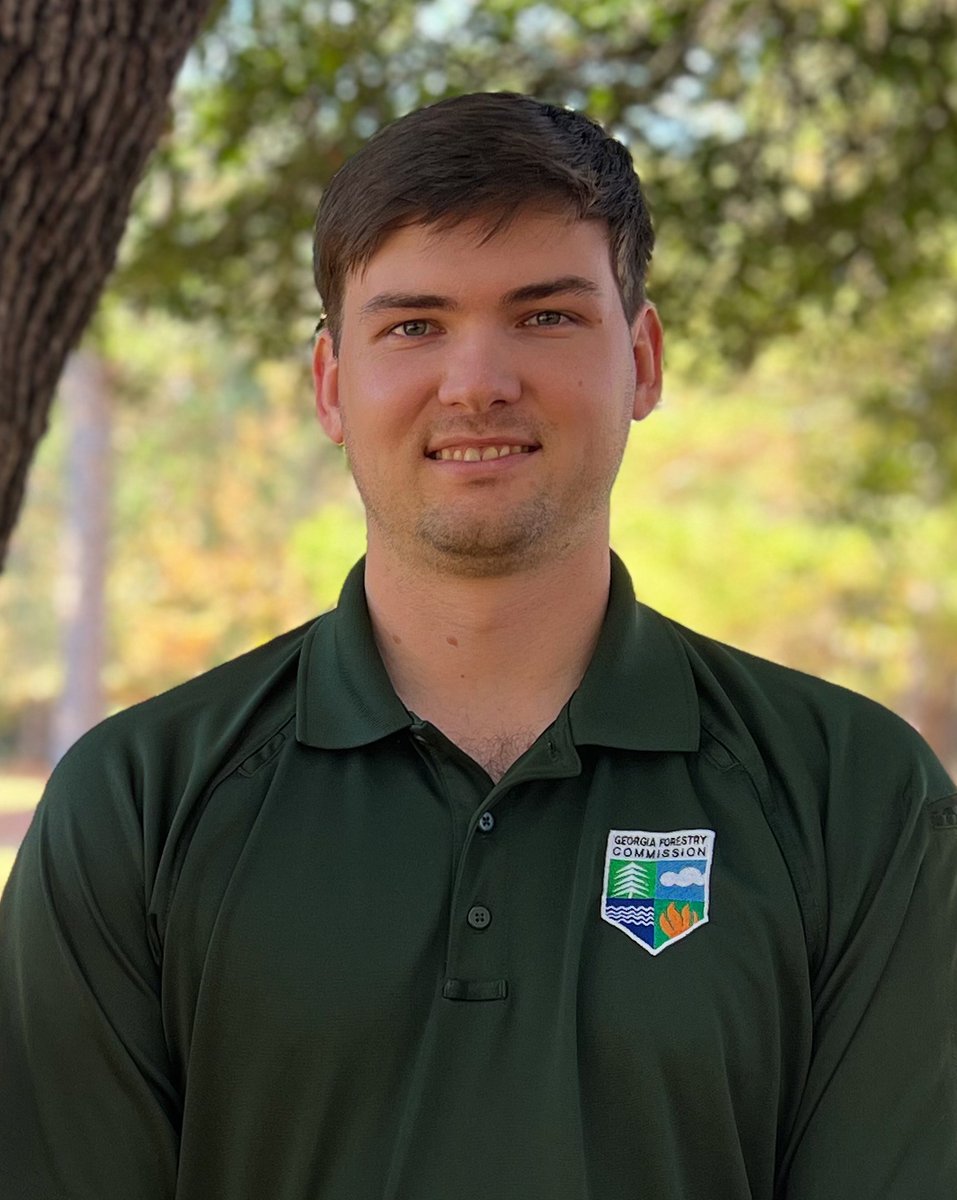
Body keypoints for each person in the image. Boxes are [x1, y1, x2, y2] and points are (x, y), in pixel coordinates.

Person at [1, 91, 954, 1200]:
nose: (478, 383)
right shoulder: (137, 805)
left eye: (547, 316)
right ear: (331, 385)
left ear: (641, 360)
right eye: (414, 326)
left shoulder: (859, 801)